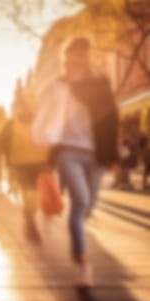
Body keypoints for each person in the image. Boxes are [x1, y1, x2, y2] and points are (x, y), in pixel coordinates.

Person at [32, 37, 119, 287]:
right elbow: (45, 118)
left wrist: (112, 156)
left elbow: (110, 119)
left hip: (96, 153)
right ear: (66, 57)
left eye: (83, 52)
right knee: (79, 201)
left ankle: (76, 236)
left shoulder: (100, 84)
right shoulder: (57, 86)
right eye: (74, 52)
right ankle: (83, 264)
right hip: (68, 151)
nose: (79, 57)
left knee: (87, 207)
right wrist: (43, 147)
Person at [0, 105, 49, 244]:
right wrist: (49, 161)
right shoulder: (38, 121)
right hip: (36, 162)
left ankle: (29, 218)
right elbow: (47, 140)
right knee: (32, 190)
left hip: (20, 163)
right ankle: (30, 218)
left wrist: (9, 157)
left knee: (27, 190)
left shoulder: (11, 123)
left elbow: (2, 142)